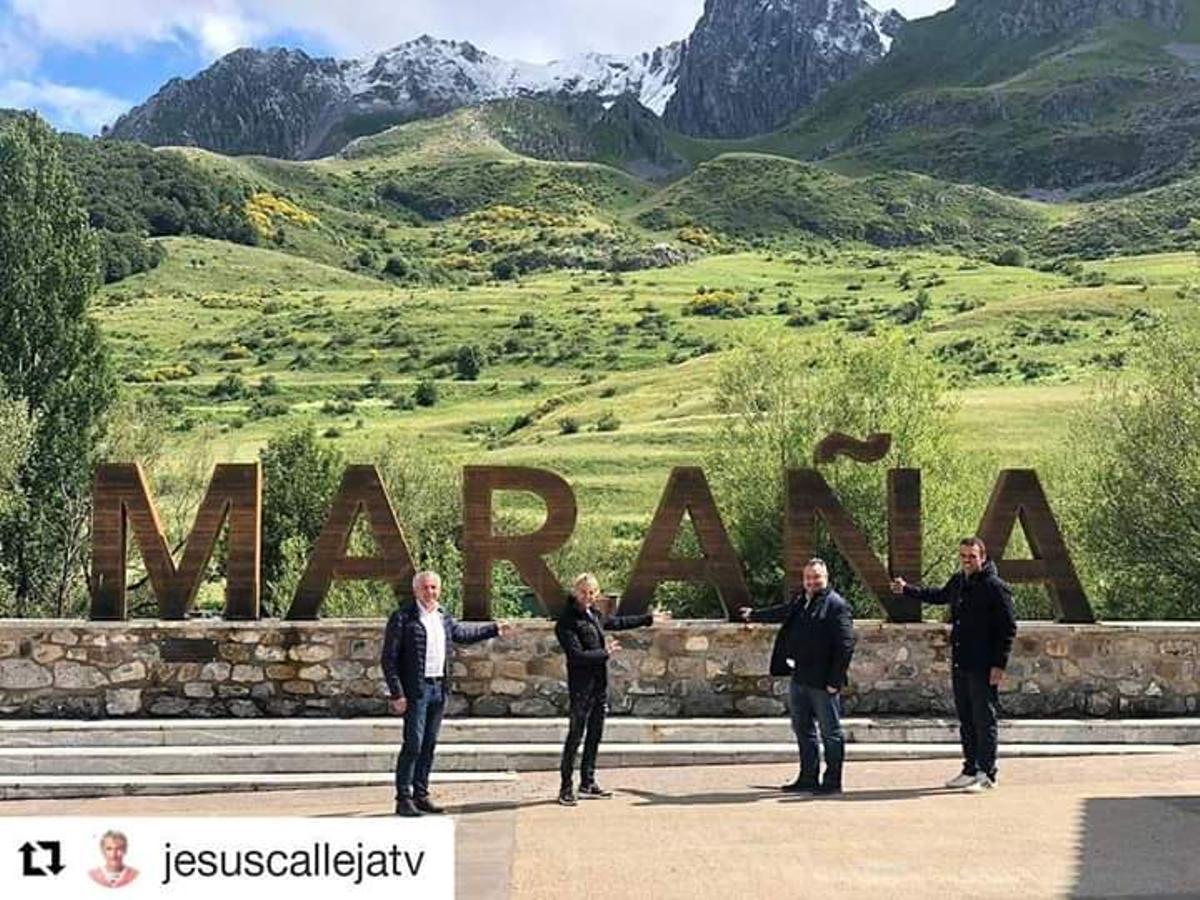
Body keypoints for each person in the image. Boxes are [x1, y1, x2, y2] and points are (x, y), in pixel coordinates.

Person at [891, 536, 1017, 793]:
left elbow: (1008, 629)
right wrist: (907, 589)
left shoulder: (996, 587)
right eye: (963, 556)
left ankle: (986, 773)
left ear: (982, 556)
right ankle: (970, 768)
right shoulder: (960, 581)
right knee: (966, 718)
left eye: (972, 556)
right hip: (962, 661)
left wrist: (999, 665)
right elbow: (938, 595)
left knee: (984, 719)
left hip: (984, 665)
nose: (967, 561)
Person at [382, 570, 512, 817]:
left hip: (438, 688)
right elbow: (388, 659)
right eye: (425, 588)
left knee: (429, 744)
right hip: (416, 691)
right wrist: (397, 693)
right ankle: (403, 798)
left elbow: (463, 634)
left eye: (434, 588)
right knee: (413, 744)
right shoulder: (402, 618)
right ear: (416, 590)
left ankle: (421, 795)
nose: (430, 592)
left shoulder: (443, 617)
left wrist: (494, 629)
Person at [739, 558, 856, 795]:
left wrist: (835, 681)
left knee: (830, 733)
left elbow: (846, 645)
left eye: (816, 577)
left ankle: (832, 782)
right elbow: (781, 612)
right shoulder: (801, 600)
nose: (812, 582)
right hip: (800, 677)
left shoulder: (837, 606)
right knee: (803, 729)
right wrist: (754, 615)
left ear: (826, 578)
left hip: (824, 682)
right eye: (808, 578)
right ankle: (807, 778)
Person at [555, 573, 669, 806]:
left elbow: (616, 622)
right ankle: (566, 787)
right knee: (576, 735)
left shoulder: (594, 614)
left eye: (592, 593)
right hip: (581, 687)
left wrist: (648, 619)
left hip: (599, 685)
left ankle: (587, 782)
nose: (588, 597)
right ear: (575, 592)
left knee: (595, 735)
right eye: (584, 592)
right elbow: (576, 656)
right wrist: (606, 653)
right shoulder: (566, 621)